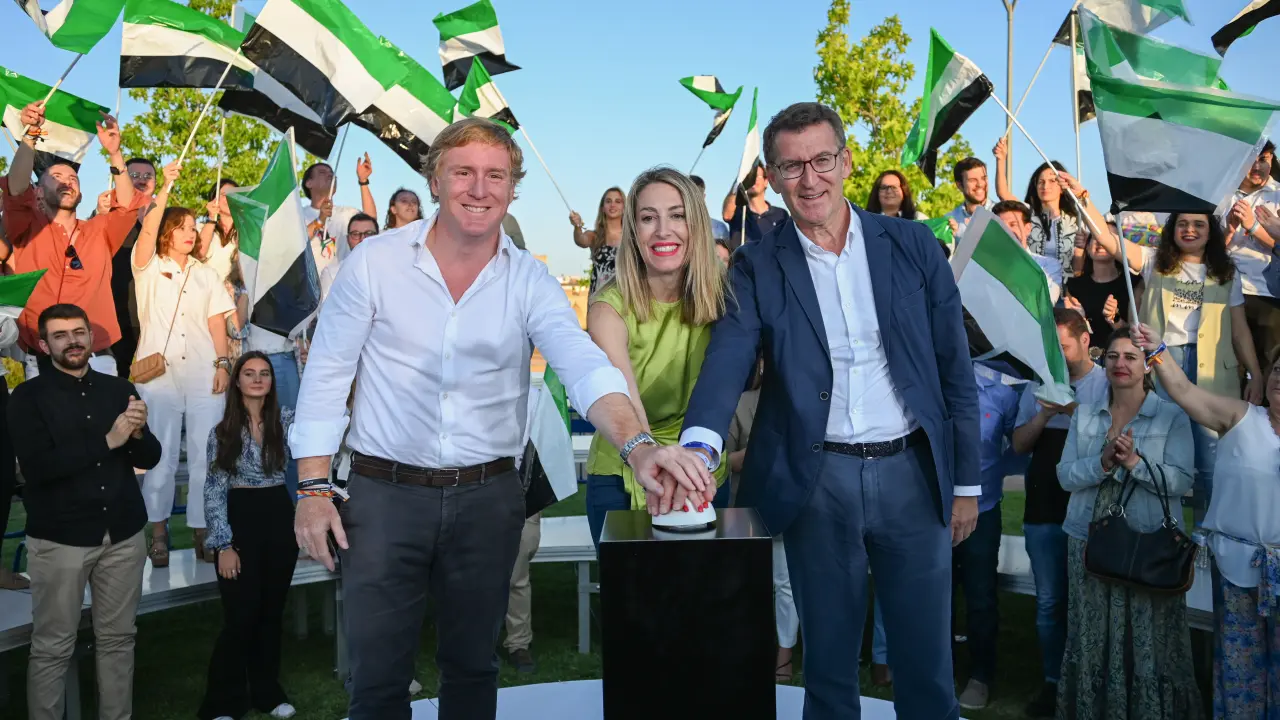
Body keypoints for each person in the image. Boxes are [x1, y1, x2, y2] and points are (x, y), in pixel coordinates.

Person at [289, 117, 713, 720]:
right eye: (463, 172)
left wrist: (638, 446)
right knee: (377, 681)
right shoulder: (374, 264)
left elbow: (583, 365)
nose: (479, 188)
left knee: (472, 670)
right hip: (383, 496)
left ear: (513, 189)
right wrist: (312, 489)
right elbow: (328, 375)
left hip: (487, 499)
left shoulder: (531, 280)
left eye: (496, 175)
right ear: (435, 180)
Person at [679, 102, 980, 720]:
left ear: (845, 161)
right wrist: (699, 447)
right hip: (817, 483)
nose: (810, 179)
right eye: (792, 167)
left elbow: (955, 368)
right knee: (829, 668)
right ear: (772, 175)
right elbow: (727, 359)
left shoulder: (914, 245)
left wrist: (967, 484)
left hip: (913, 475)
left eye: (821, 160)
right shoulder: (756, 264)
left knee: (927, 668)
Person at [8, 303, 161, 720]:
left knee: (119, 640)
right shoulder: (27, 398)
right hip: (61, 540)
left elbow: (150, 456)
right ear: (44, 345)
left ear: (91, 338)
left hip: (123, 535)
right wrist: (109, 440)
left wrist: (139, 432)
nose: (72, 341)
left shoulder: (118, 388)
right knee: (52, 646)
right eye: (60, 335)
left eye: (78, 332)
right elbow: (38, 470)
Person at [1133, 321, 1280, 720]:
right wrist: (1157, 350)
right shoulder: (1241, 416)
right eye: (1278, 370)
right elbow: (1184, 392)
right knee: (1239, 669)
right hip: (1236, 566)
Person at [1055, 329, 1201, 718]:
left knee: (1148, 636)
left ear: (1147, 367)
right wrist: (1102, 463)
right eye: (1113, 356)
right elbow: (1065, 476)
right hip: (1088, 542)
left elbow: (1182, 481)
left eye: (1131, 357)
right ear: (1103, 363)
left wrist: (1136, 463)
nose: (1120, 363)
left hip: (1147, 544)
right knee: (1092, 636)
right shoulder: (1085, 415)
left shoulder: (1171, 415)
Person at [584, 167, 728, 546]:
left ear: (697, 225)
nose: (663, 231)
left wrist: (692, 464)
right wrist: (660, 461)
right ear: (633, 231)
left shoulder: (725, 296)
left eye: (677, 215)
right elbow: (626, 402)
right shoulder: (607, 309)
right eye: (648, 218)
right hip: (624, 466)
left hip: (704, 469)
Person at [1093, 212, 1263, 524]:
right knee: (1155, 453)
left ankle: (1207, 538)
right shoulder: (1153, 261)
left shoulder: (1226, 272)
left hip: (1214, 372)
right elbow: (1107, 239)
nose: (1189, 230)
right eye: (1182, 223)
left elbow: (1239, 330)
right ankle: (1160, 535)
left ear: (1210, 232)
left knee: (1212, 464)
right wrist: (1083, 199)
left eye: (1198, 224)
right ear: (1172, 229)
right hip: (1162, 366)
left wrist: (1255, 373)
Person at [132, 162, 235, 566]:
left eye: (194, 227)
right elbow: (145, 233)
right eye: (183, 227)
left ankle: (202, 529)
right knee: (159, 454)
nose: (191, 233)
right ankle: (158, 533)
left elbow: (216, 321)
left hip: (204, 371)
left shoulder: (206, 274)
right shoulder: (148, 266)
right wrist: (165, 187)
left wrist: (223, 363)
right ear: (166, 232)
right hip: (159, 375)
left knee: (206, 454)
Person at [1009, 308, 1109, 718]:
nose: (1056, 355)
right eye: (1051, 346)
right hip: (1043, 507)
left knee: (1090, 603)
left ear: (1086, 340)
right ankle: (1054, 682)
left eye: (1063, 346)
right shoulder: (1038, 383)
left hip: (1090, 510)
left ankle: (1090, 683)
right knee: (1049, 602)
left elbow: (1109, 440)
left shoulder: (1107, 381)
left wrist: (1069, 409)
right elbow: (1018, 445)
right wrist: (1045, 413)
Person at [2, 101, 140, 378]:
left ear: (81, 194)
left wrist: (115, 154)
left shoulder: (100, 230)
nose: (67, 181)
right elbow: (15, 188)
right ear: (38, 192)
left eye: (73, 178)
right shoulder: (27, 228)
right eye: (56, 176)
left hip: (97, 358)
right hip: (41, 357)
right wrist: (30, 137)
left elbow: (127, 205)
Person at [198, 351, 299, 720]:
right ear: (237, 381)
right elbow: (213, 489)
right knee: (241, 616)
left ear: (272, 382)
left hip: (279, 517)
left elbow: (326, 428)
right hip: (240, 520)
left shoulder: (286, 421)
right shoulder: (222, 432)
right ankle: (222, 702)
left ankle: (266, 693)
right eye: (249, 373)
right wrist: (223, 544)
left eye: (265, 373)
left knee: (271, 613)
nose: (257, 379)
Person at [952, 362, 1021, 710]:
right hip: (933, 511)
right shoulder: (930, 385)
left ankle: (980, 675)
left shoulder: (1002, 395)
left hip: (983, 510)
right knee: (936, 593)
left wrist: (993, 474)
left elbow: (1017, 448)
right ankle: (938, 668)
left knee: (980, 596)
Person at [995, 138, 1087, 284]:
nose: (1045, 186)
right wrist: (1001, 159)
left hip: (1066, 289)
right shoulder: (1028, 214)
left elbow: (1078, 268)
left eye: (1052, 181)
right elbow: (1003, 193)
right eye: (1041, 181)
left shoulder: (1076, 221)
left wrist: (1081, 249)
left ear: (1063, 187)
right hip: (1029, 285)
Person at [1225, 141, 1280, 372]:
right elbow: (1209, 247)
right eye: (1251, 160)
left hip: (1267, 294)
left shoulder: (1278, 195)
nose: (1257, 167)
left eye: (1263, 160)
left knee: (1270, 364)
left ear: (1271, 160)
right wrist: (1229, 231)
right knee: (1231, 365)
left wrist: (1254, 226)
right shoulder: (1222, 193)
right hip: (1227, 291)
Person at [109, 157, 158, 376]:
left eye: (148, 176)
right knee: (116, 379)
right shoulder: (109, 215)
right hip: (118, 313)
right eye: (134, 175)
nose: (142, 180)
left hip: (154, 315)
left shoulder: (164, 219)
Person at [1065, 235, 1142, 351]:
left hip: (1120, 354)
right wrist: (1079, 320)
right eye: (1095, 238)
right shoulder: (1074, 286)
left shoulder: (1134, 283)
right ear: (1088, 247)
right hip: (1088, 355)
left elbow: (1134, 335)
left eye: (1107, 237)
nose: (1100, 242)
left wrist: (1114, 318)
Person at [993, 200, 1062, 303]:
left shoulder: (1048, 265)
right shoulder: (987, 264)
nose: (1006, 231)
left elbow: (1046, 303)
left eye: (1013, 224)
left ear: (1028, 229)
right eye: (1000, 226)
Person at [723, 161, 790, 250]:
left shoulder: (780, 214)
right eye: (749, 176)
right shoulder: (738, 211)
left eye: (756, 176)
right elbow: (727, 215)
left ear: (766, 181)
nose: (752, 179)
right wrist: (740, 178)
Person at [570, 186, 624, 295]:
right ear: (602, 208)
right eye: (608, 201)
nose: (613, 205)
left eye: (618, 201)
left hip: (625, 297)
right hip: (599, 298)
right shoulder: (594, 236)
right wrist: (577, 226)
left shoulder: (633, 237)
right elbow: (581, 240)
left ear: (624, 207)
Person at [319, 213, 378, 303]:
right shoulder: (332, 274)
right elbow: (324, 308)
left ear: (378, 237)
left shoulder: (391, 271)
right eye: (355, 234)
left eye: (369, 234)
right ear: (348, 239)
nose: (362, 239)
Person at [198, 178, 241, 284]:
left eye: (234, 195)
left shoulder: (246, 231)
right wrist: (212, 218)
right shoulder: (201, 228)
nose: (229, 198)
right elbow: (199, 253)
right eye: (224, 194)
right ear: (214, 199)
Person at [944, 156, 994, 240]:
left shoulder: (1000, 215)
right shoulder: (950, 220)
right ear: (959, 185)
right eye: (972, 180)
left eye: (983, 178)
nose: (980, 184)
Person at [690, 174, 731, 241]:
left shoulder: (719, 229)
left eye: (696, 195)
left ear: (703, 197)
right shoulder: (674, 225)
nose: (692, 199)